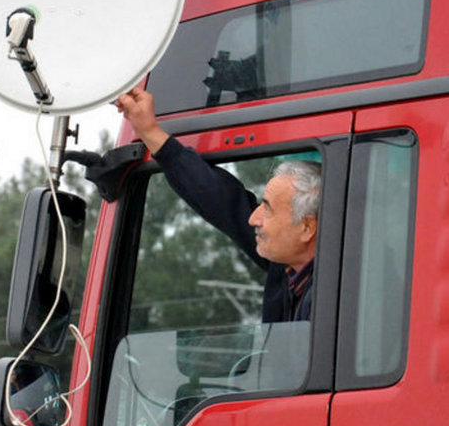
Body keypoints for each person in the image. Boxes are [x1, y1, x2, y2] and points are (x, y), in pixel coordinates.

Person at [116, 87, 321, 323]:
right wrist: (151, 133)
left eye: (268, 208)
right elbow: (221, 201)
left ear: (307, 227)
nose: (253, 219)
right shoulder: (287, 268)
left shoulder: (335, 293)